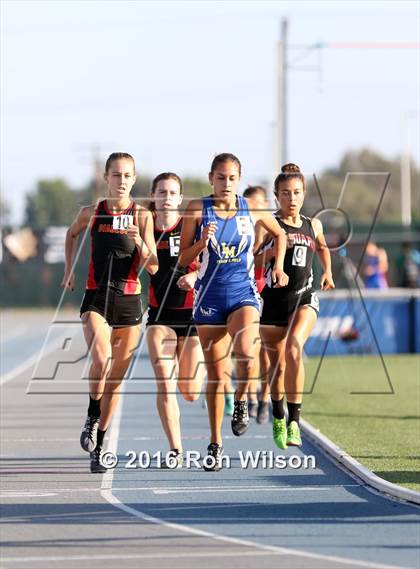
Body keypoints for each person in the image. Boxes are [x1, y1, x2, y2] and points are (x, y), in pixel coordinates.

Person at [179, 153, 288, 470]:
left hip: (242, 293)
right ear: (211, 178)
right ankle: (215, 444)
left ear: (239, 179)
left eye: (232, 178)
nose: (226, 183)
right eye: (221, 177)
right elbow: (183, 257)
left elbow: (280, 233)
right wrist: (202, 243)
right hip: (209, 297)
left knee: (247, 351)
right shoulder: (197, 209)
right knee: (215, 377)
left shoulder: (251, 207)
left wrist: (278, 267)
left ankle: (241, 402)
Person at [61, 152, 158, 473]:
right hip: (96, 297)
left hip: (130, 301)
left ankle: (100, 445)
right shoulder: (93, 212)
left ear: (134, 179)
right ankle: (91, 415)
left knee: (115, 382)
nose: (121, 181)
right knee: (101, 360)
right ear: (106, 178)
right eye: (115, 175)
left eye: (127, 176)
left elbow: (154, 265)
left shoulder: (142, 216)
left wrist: (140, 243)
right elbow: (71, 234)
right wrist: (69, 270)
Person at [258, 163, 334, 449]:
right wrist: (272, 251)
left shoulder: (313, 224)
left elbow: (324, 247)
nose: (292, 198)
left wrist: (327, 272)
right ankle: (278, 414)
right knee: (276, 366)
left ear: (304, 194)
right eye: (286, 193)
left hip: (305, 294)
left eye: (297, 192)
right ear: (277, 196)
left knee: (293, 348)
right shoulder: (268, 225)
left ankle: (294, 421)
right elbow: (253, 261)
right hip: (273, 301)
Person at [146, 172, 205, 467]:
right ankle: (176, 450)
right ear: (153, 196)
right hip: (160, 317)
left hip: (193, 316)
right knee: (166, 386)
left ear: (180, 198)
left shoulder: (190, 226)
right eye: (162, 192)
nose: (167, 197)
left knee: (191, 393)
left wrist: (194, 275)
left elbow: (214, 261)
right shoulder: (144, 227)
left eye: (172, 193)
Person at [242, 185, 271, 424]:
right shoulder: (241, 228)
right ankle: (251, 398)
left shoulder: (272, 228)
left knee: (267, 353)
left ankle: (265, 398)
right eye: (249, 204)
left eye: (257, 204)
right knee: (249, 351)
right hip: (245, 290)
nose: (254, 209)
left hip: (268, 290)